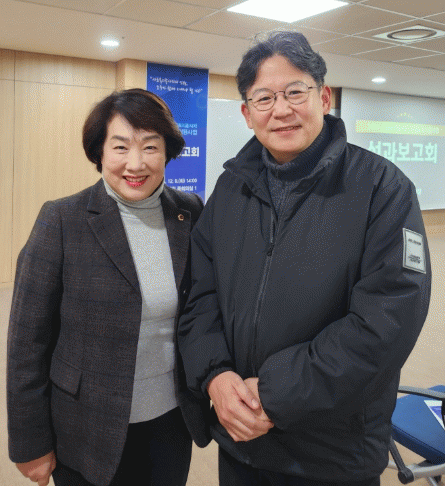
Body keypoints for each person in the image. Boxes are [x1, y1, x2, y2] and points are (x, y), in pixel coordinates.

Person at [178, 31, 432, 486]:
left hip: (332, 454)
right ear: (247, 113)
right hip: (241, 443)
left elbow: (386, 323)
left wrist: (274, 395)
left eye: (295, 91)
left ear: (324, 97)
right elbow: (200, 295)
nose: (281, 109)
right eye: (264, 98)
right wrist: (215, 376)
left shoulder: (382, 189)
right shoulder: (230, 190)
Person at [7, 88, 210, 486]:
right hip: (86, 425)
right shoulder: (62, 219)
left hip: (170, 423)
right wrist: (30, 442)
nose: (136, 163)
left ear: (167, 152)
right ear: (99, 152)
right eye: (120, 147)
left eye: (150, 146)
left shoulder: (189, 211)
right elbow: (26, 344)